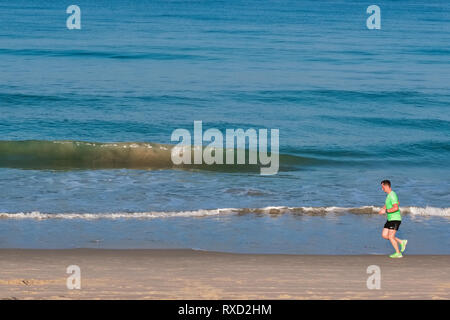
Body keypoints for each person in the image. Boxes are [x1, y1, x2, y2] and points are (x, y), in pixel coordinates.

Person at [378, 180, 407, 258]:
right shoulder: (389, 195)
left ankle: (398, 253)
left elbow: (396, 207)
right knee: (384, 235)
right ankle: (401, 241)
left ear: (387, 186)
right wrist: (382, 209)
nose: (382, 189)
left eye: (382, 187)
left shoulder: (392, 194)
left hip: (395, 219)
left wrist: (386, 211)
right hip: (390, 219)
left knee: (391, 237)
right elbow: (394, 203)